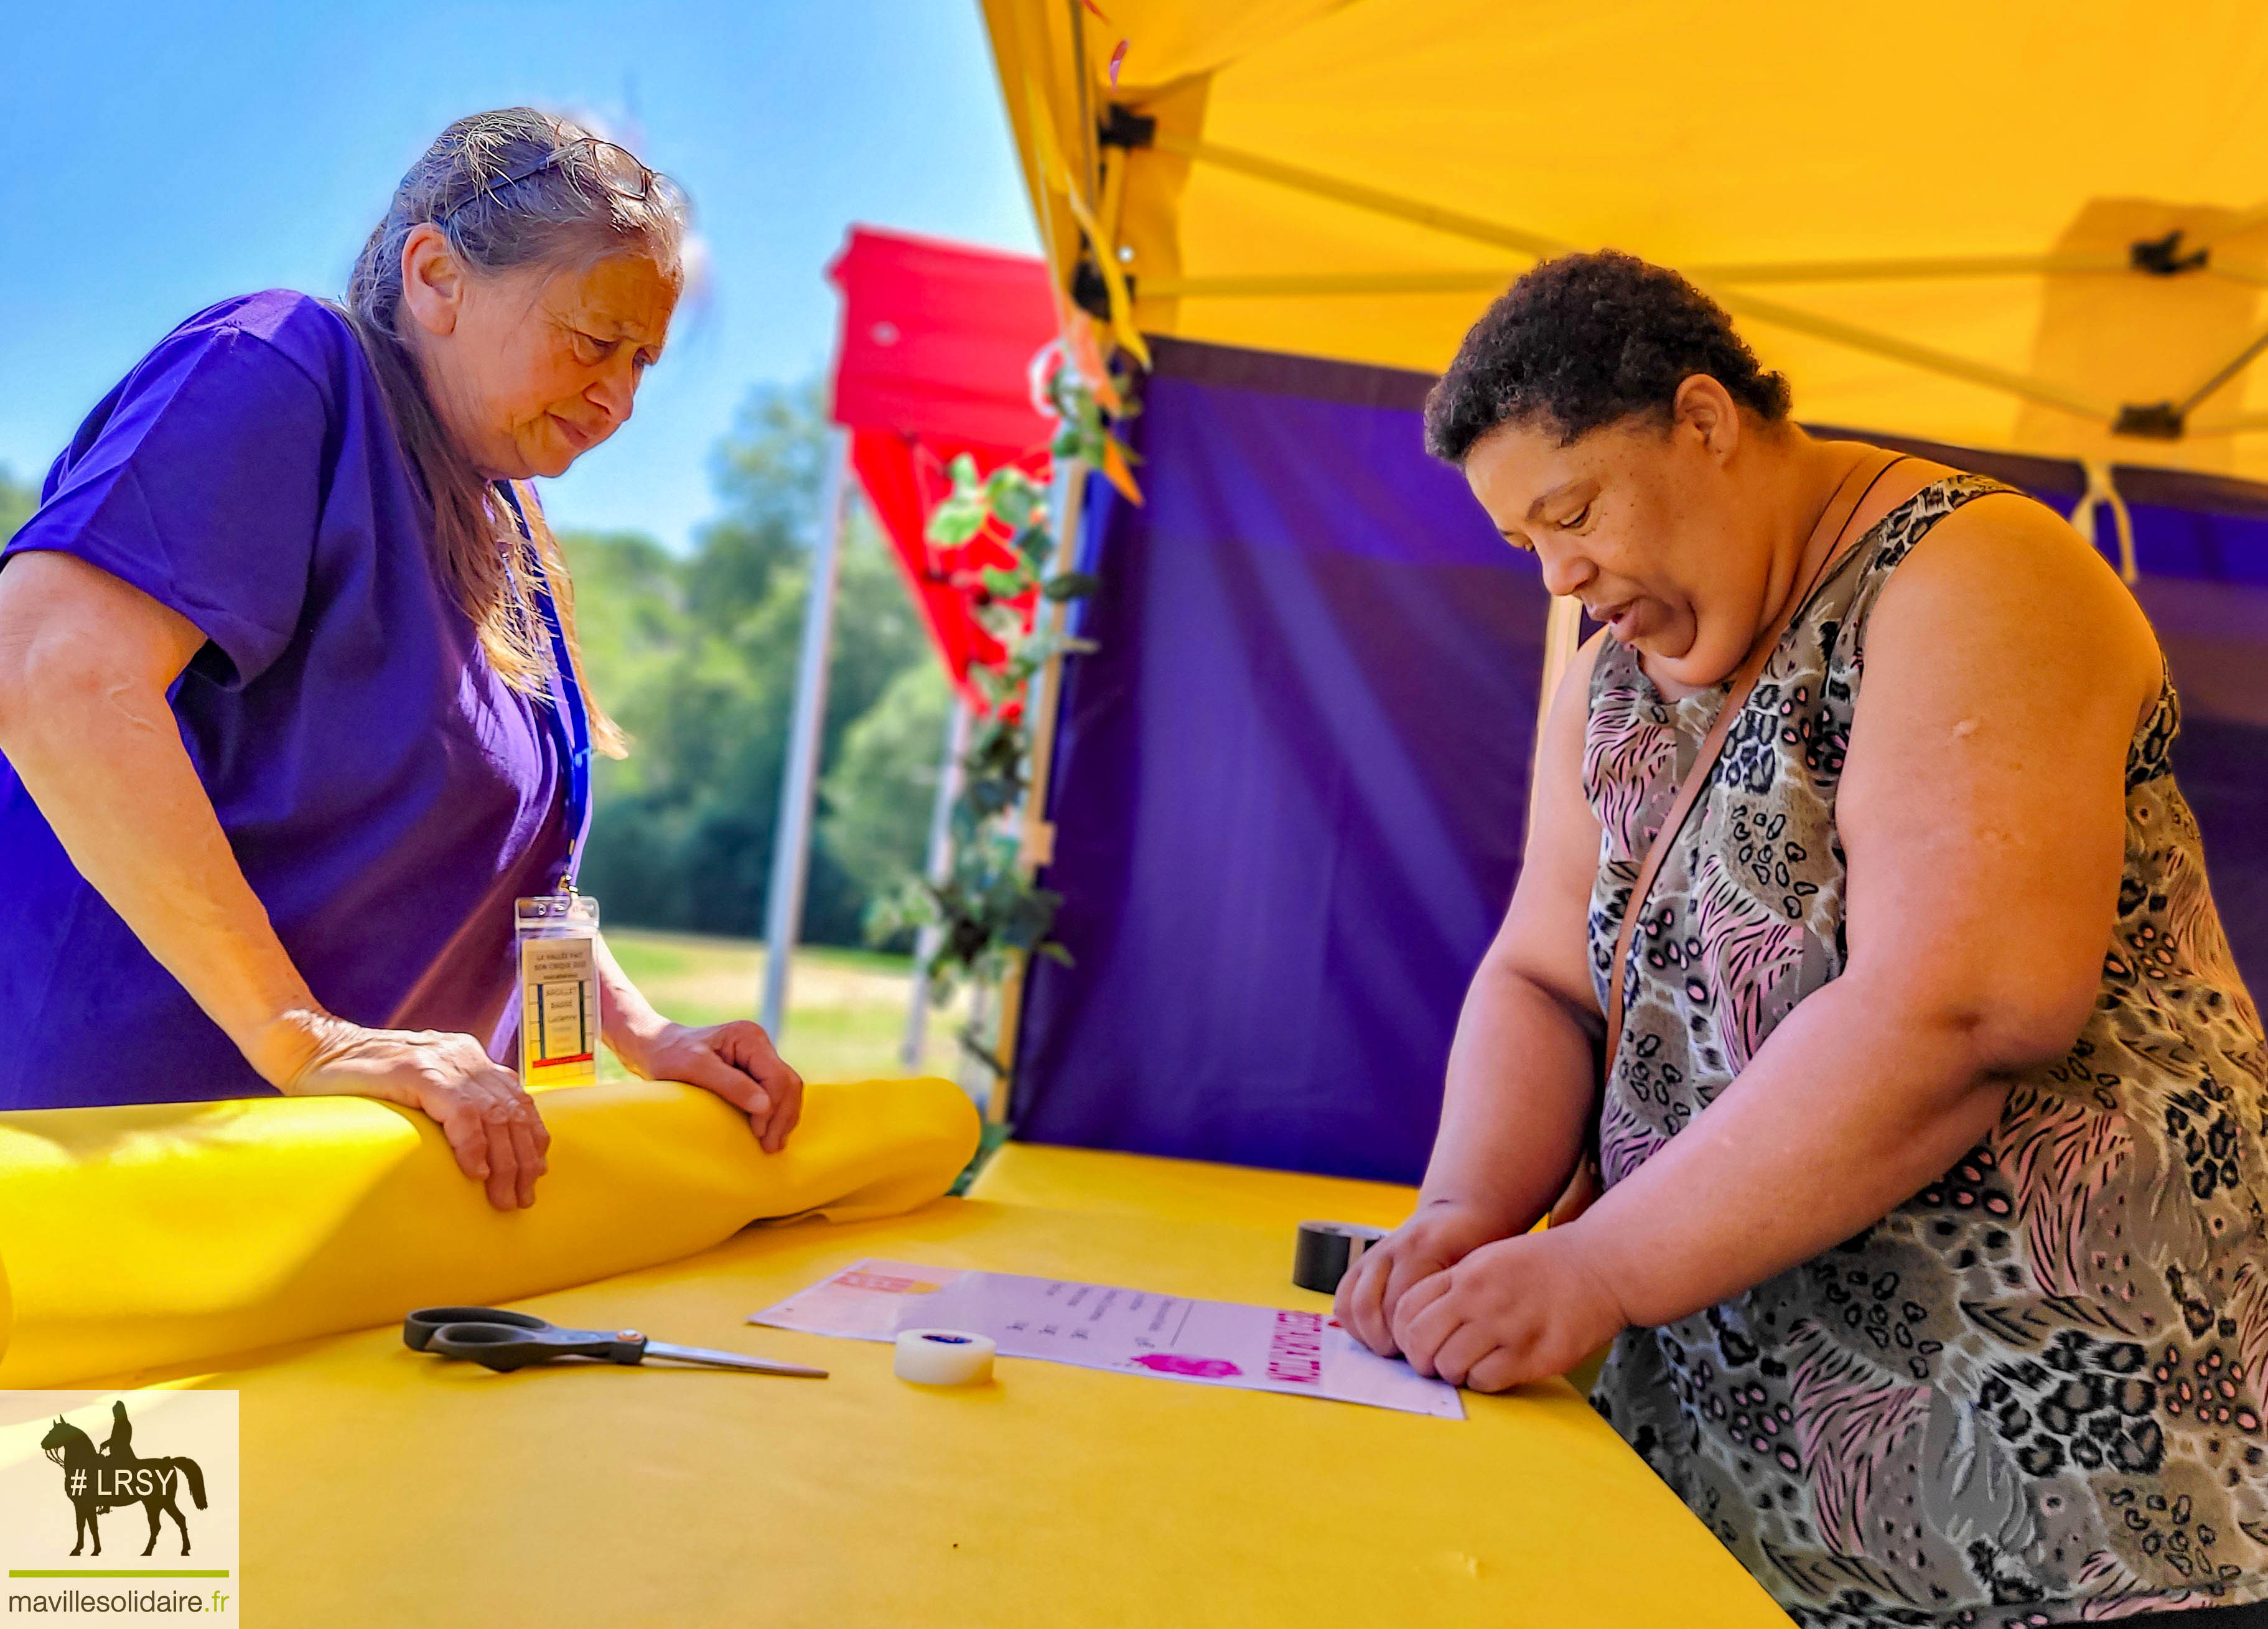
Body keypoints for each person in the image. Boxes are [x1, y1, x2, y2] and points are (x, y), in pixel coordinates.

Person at [1337, 251, 2267, 1625]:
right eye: (1521, 541)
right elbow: (1544, 973)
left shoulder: (1980, 573)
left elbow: (1961, 1006)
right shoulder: (1612, 653)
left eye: (1573, 511)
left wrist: (1594, 1263)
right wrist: (1460, 1217)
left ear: (1703, 420)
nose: (1558, 576)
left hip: (2065, 1500)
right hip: (1748, 1487)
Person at [0, 110, 803, 1210]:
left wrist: (645, 1031)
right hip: (121, 1178)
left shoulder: (506, 522)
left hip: (354, 1206)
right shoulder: (278, 365)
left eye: (643, 360)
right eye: (591, 339)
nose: (620, 397)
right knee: (148, 1405)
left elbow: (530, 869)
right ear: (435, 277)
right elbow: (50, 671)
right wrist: (304, 1039)